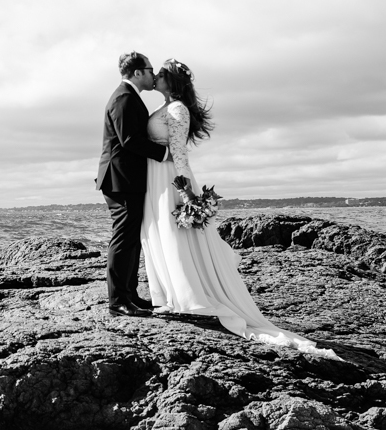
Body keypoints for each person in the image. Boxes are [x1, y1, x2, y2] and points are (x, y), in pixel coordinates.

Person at [141, 58, 338, 357]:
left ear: (173, 81)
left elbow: (180, 153)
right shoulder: (166, 106)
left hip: (170, 179)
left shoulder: (178, 109)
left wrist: (185, 193)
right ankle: (171, 293)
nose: (155, 76)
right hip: (157, 176)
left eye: (162, 74)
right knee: (165, 234)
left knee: (174, 234)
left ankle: (187, 295)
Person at [95, 52, 168, 317]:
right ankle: (117, 301)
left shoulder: (129, 96)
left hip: (128, 178)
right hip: (119, 179)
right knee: (123, 238)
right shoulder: (124, 98)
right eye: (150, 70)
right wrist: (165, 154)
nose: (153, 75)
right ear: (138, 72)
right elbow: (129, 140)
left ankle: (130, 294)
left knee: (131, 237)